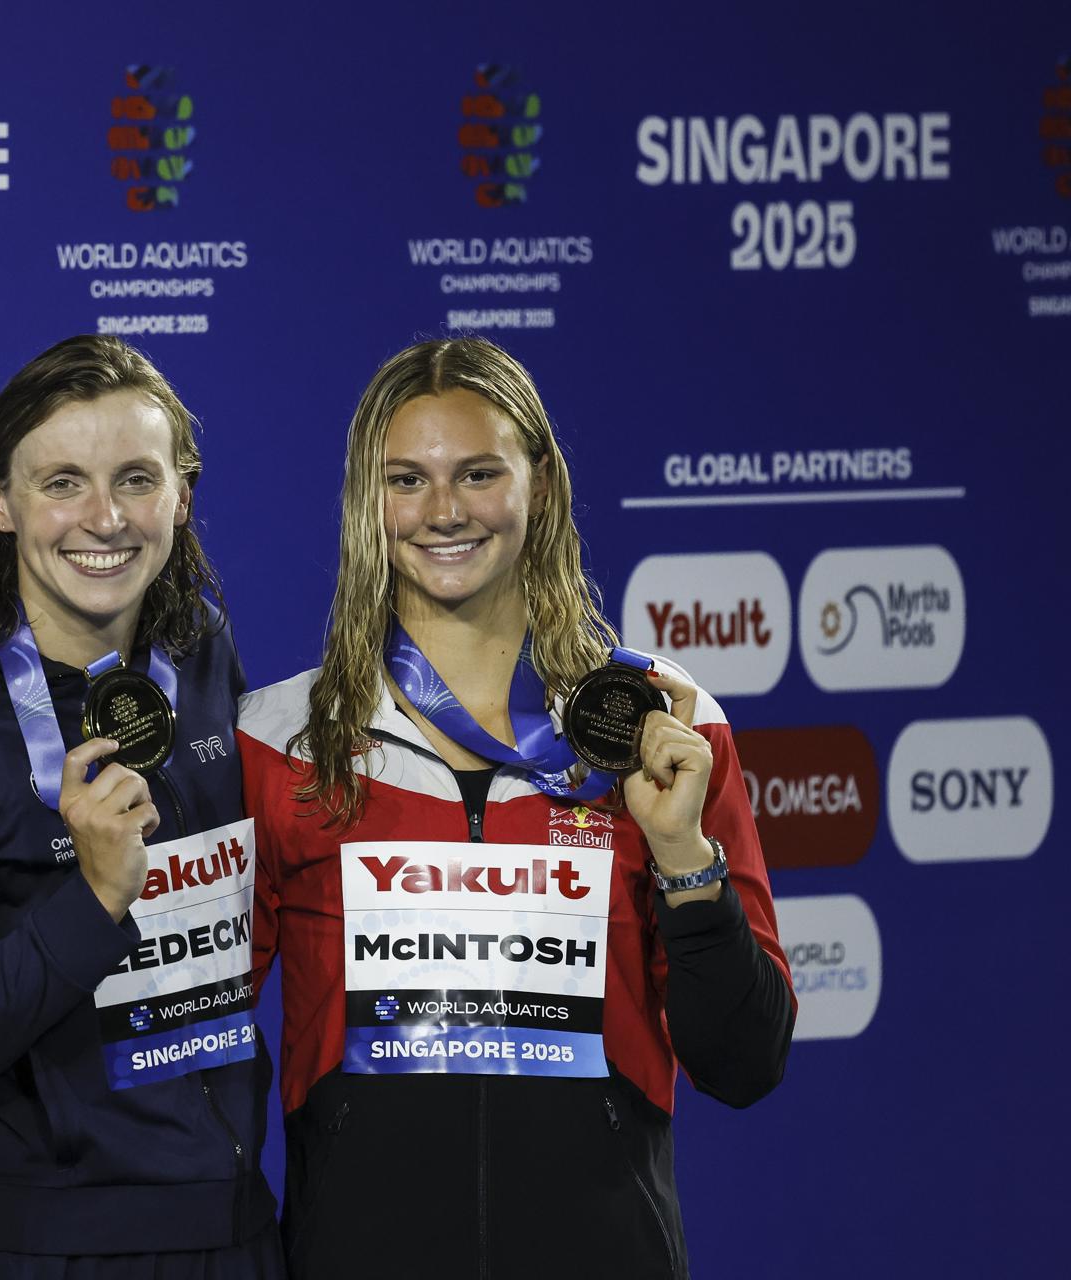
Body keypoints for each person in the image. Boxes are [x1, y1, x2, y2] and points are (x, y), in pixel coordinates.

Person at [239, 338, 794, 1278]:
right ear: (367, 505)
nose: (445, 511)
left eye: (480, 472)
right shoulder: (280, 740)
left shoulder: (664, 725)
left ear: (541, 483)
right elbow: (189, 1039)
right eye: (406, 479)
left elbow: (745, 1062)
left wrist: (684, 862)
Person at [0, 335, 281, 1278]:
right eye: (62, 483)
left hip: (230, 1220)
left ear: (181, 493)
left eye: (136, 479)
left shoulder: (201, 648)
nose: (104, 519)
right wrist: (93, 899)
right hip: (50, 1242)